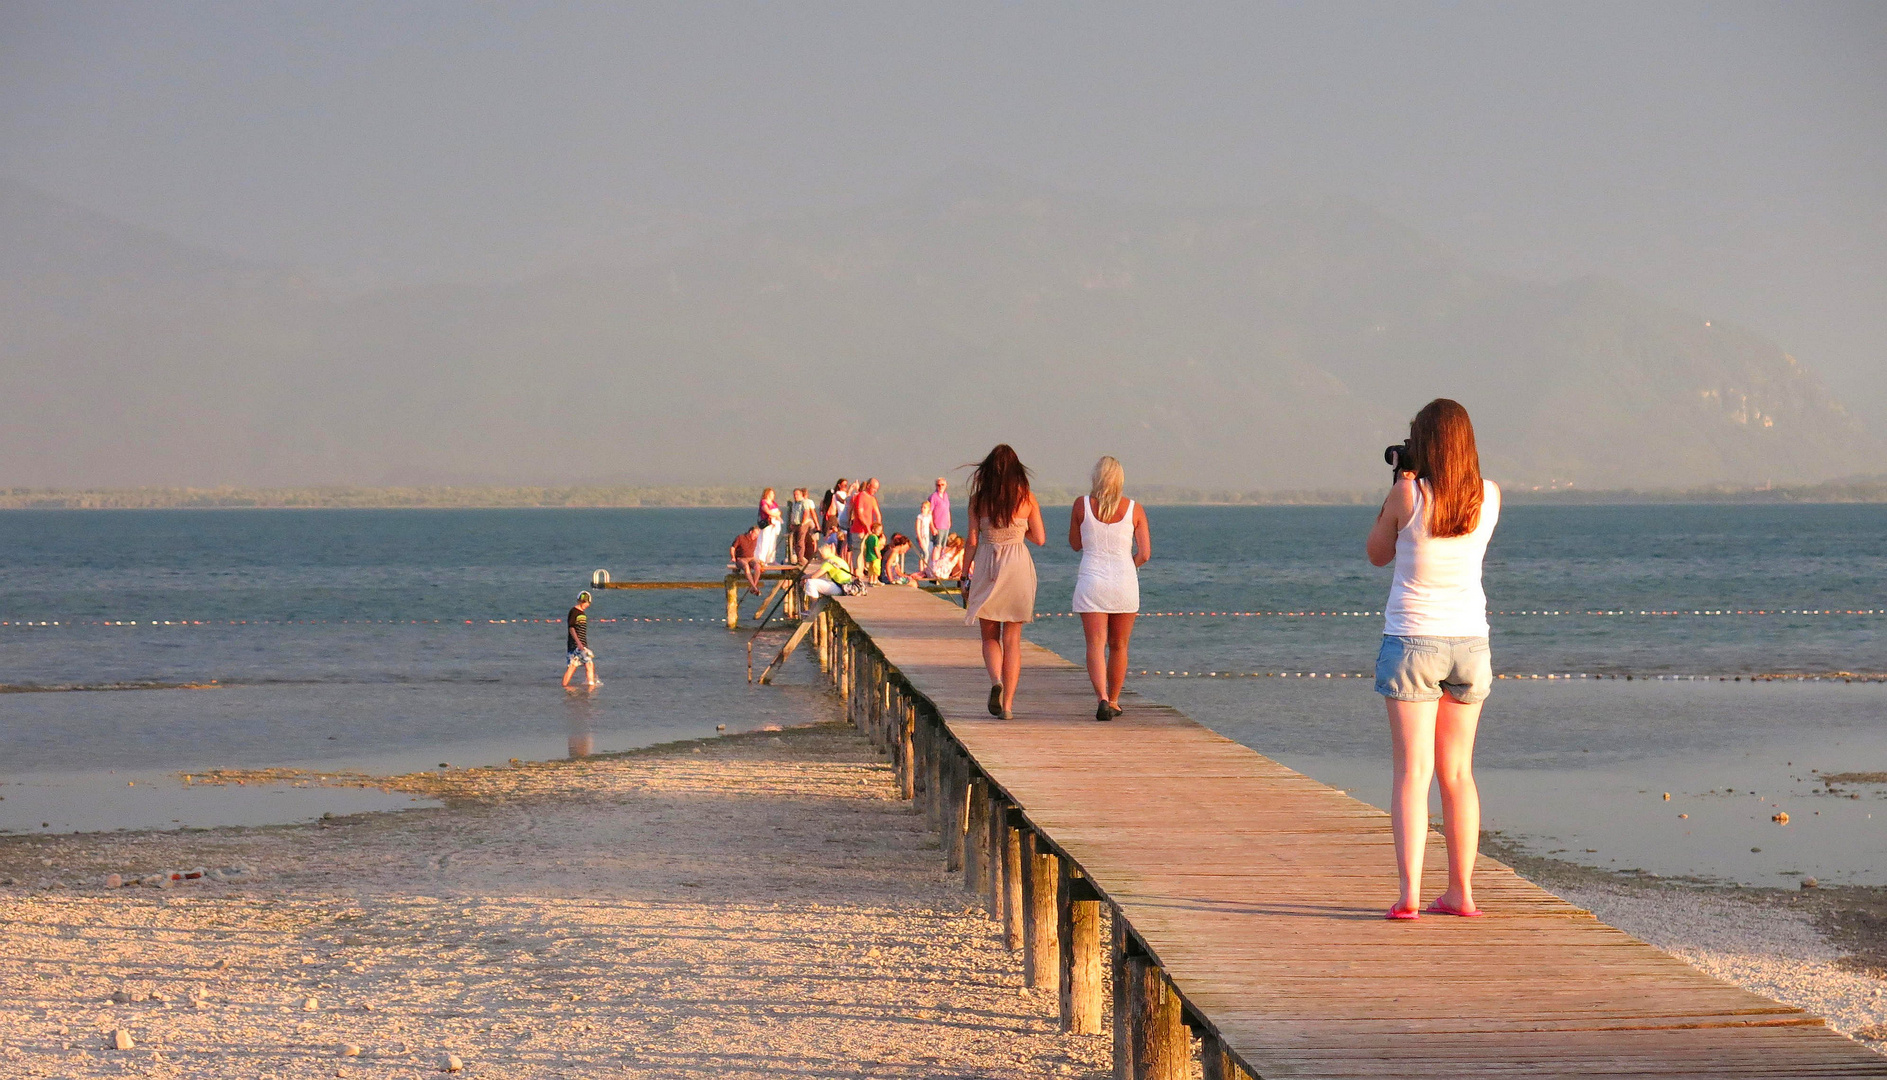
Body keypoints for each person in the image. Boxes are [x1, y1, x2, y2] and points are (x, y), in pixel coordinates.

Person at [1365, 398, 1502, 921]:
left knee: (1412, 772)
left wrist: (1398, 486)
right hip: (1470, 641)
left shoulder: (1407, 492)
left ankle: (1409, 896)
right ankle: (1462, 892)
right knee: (1458, 773)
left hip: (1413, 640)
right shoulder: (1489, 496)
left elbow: (1377, 553)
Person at [963, 445, 1045, 720]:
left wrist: (964, 574)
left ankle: (996, 680)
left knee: (989, 636)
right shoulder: (1027, 498)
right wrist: (1019, 530)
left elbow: (972, 541)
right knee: (1013, 640)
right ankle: (1008, 706)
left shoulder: (978, 500)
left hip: (988, 560)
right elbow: (1040, 538)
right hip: (1017, 563)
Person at [1069, 456, 1151, 721]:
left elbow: (1075, 544)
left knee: (1095, 644)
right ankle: (1114, 700)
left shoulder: (1081, 505)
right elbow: (1145, 553)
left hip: (1092, 581)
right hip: (1124, 583)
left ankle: (1101, 698)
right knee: (1120, 646)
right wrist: (1130, 565)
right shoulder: (1134, 509)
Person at [562, 591, 597, 689]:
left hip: (581, 645)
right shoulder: (574, 612)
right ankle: (590, 686)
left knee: (584, 664)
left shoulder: (582, 613)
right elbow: (571, 628)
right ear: (582, 601)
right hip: (576, 645)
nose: (587, 605)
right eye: (586, 603)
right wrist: (578, 643)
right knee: (581, 665)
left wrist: (583, 644)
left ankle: (589, 685)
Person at [848, 478, 881, 576]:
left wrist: (878, 527)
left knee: (869, 552)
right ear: (868, 486)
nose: (875, 491)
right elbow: (859, 513)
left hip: (869, 531)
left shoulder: (872, 499)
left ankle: (867, 573)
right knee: (858, 551)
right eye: (874, 488)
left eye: (876, 489)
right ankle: (857, 573)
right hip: (859, 530)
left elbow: (877, 514)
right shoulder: (861, 496)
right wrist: (866, 527)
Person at [924, 477, 951, 570]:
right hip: (937, 525)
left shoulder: (946, 496)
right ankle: (934, 567)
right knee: (937, 546)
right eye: (938, 485)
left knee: (943, 547)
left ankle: (939, 566)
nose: (940, 487)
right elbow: (929, 513)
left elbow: (947, 510)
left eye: (942, 485)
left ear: (946, 485)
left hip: (945, 525)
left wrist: (949, 520)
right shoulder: (933, 497)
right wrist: (932, 527)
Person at [730, 523, 765, 595]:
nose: (756, 536)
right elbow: (732, 548)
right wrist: (733, 557)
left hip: (751, 558)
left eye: (757, 535)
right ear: (751, 532)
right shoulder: (740, 538)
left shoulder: (755, 540)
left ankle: (753, 586)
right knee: (746, 567)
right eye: (755, 534)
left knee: (758, 567)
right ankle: (754, 587)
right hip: (741, 559)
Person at [788, 487, 819, 561]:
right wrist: (792, 523)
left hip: (801, 524)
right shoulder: (795, 504)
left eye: (797, 494)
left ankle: (801, 558)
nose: (796, 496)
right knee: (795, 541)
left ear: (801, 494)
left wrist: (803, 522)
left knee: (800, 541)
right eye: (794, 495)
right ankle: (798, 557)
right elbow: (793, 514)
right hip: (795, 524)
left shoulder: (804, 502)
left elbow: (806, 512)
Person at [757, 488, 783, 566]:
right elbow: (767, 511)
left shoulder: (774, 503)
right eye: (772, 494)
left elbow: (779, 512)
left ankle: (771, 559)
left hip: (774, 524)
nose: (773, 495)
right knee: (765, 541)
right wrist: (775, 514)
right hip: (767, 524)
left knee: (772, 542)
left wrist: (776, 515)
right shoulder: (763, 502)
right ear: (768, 494)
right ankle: (762, 560)